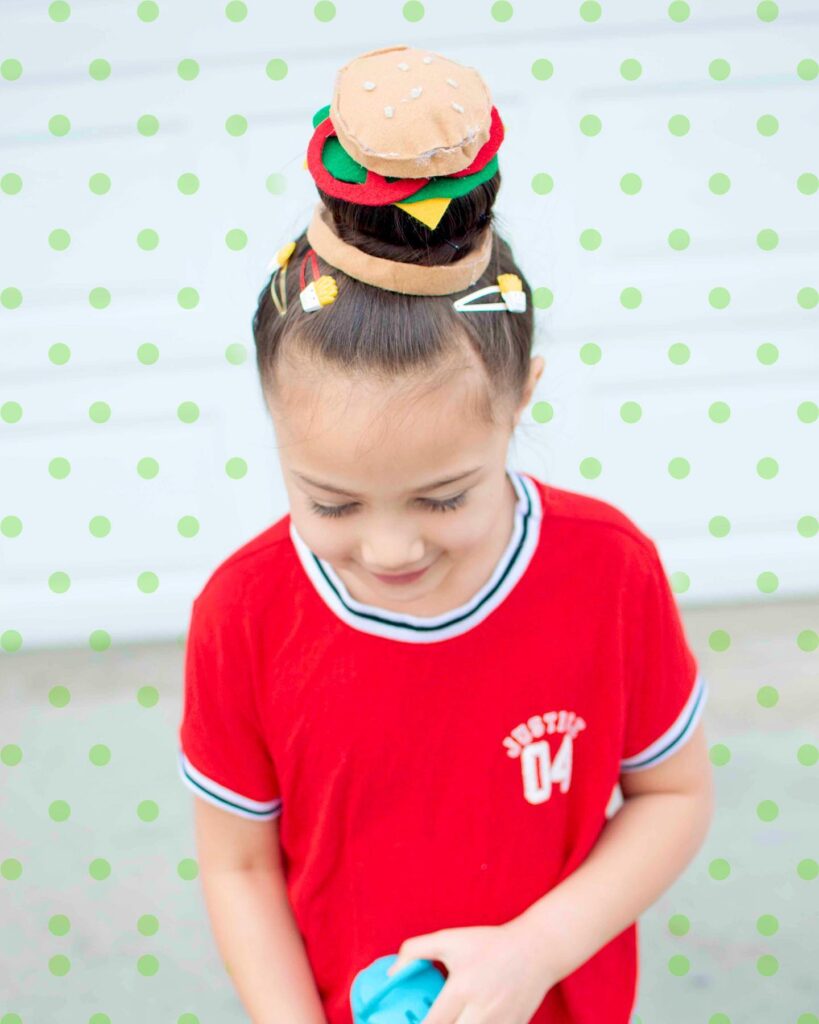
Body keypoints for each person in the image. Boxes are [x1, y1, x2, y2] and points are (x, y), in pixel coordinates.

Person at [177, 43, 713, 1024]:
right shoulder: (242, 614)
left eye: (443, 497)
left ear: (522, 406)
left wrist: (532, 953)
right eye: (332, 503)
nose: (390, 550)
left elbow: (673, 796)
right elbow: (239, 861)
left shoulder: (607, 569)